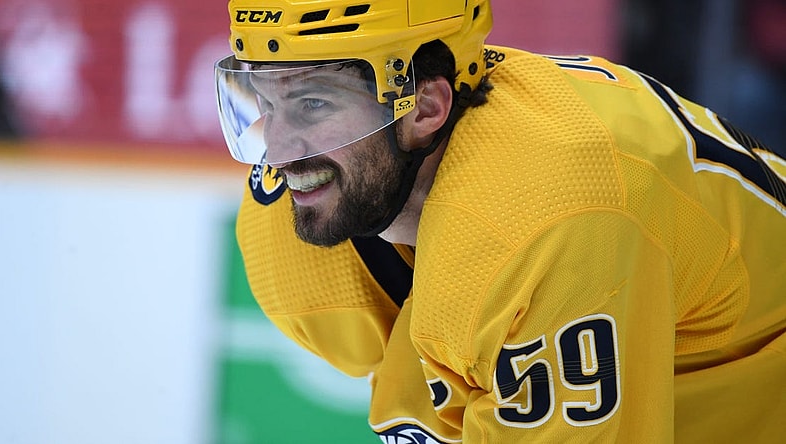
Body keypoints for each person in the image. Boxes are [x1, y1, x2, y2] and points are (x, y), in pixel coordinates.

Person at [214, 0, 786, 441]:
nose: (281, 150)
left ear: (424, 106)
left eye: (314, 103)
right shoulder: (289, 240)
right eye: (265, 103)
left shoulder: (550, 212)